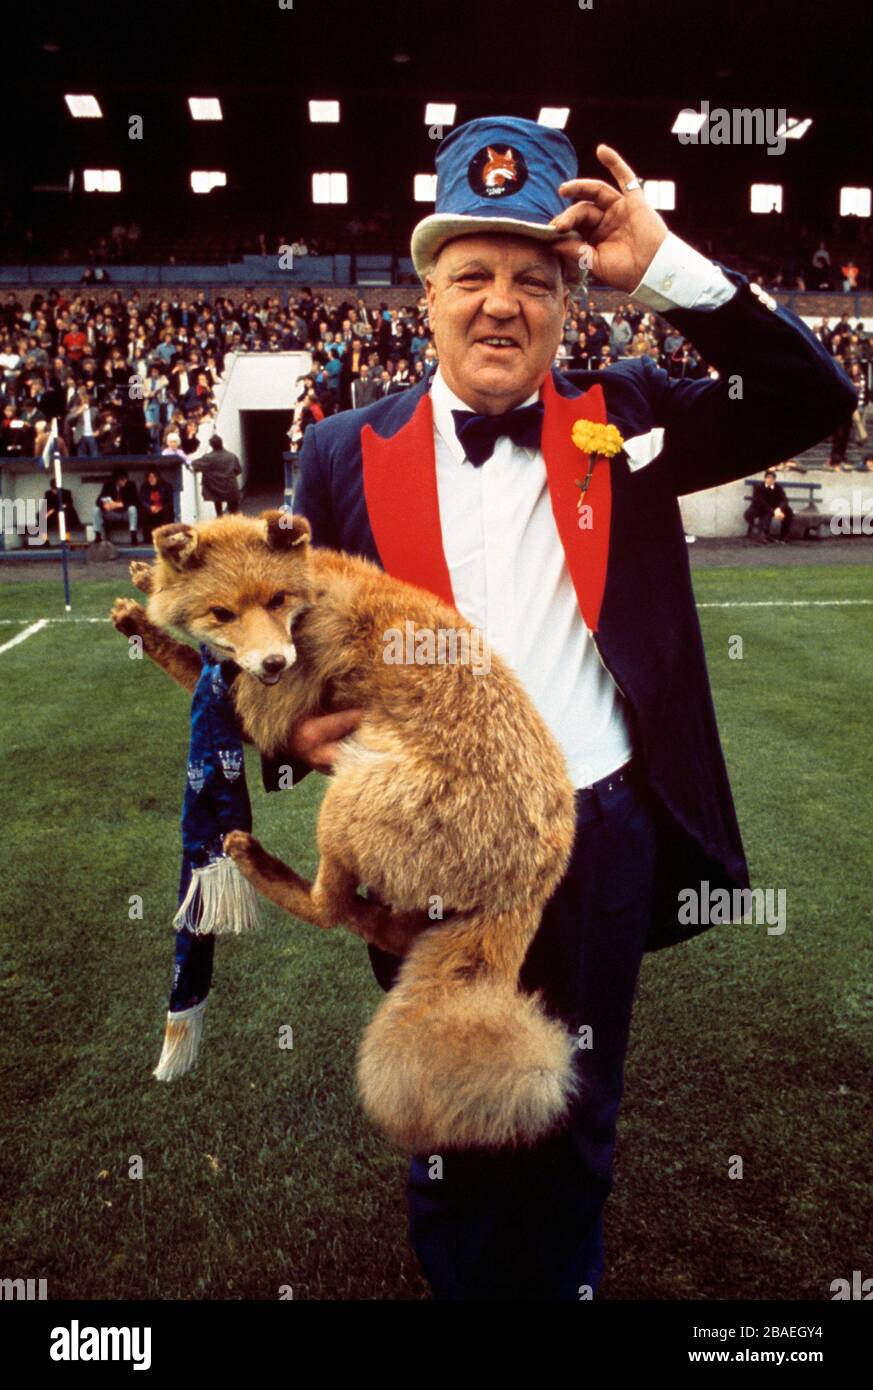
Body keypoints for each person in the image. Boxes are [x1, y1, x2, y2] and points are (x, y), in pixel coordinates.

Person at [262, 115, 855, 1303]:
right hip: (426, 846)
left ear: (570, 303)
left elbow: (810, 393)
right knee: (451, 1112)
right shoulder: (338, 450)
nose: (499, 303)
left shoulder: (627, 410)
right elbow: (276, 642)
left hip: (599, 837)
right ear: (423, 294)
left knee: (577, 1108)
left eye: (533, 280)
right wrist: (285, 726)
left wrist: (670, 264)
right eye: (471, 274)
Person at [188, 433, 242, 515]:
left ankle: (220, 524)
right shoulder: (232, 456)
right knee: (234, 513)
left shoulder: (207, 458)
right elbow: (238, 470)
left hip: (215, 489)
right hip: (231, 487)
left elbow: (193, 464)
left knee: (219, 513)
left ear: (211, 445)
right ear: (222, 443)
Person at [744, 468, 794, 542]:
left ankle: (784, 536)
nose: (770, 480)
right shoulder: (759, 487)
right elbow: (759, 502)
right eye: (768, 478)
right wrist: (773, 510)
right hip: (760, 508)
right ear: (765, 479)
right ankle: (763, 534)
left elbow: (784, 500)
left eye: (772, 478)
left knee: (789, 511)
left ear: (774, 480)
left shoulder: (778, 487)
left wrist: (779, 509)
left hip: (774, 508)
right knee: (765, 513)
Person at [94, 468, 139, 544]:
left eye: (126, 479)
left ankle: (133, 536)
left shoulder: (130, 485)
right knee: (95, 509)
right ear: (116, 480)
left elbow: (136, 501)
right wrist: (104, 505)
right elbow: (98, 501)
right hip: (112, 513)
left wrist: (120, 504)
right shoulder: (108, 485)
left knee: (132, 509)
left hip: (125, 513)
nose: (125, 481)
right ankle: (98, 536)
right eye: (122, 479)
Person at [138, 467, 175, 542]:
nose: (151, 479)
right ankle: (147, 539)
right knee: (143, 512)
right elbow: (142, 500)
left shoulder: (166, 486)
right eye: (149, 477)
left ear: (157, 477)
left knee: (168, 511)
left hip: (163, 509)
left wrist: (161, 507)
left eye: (153, 477)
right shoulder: (144, 487)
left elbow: (170, 501)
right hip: (151, 510)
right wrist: (150, 507)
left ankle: (165, 537)